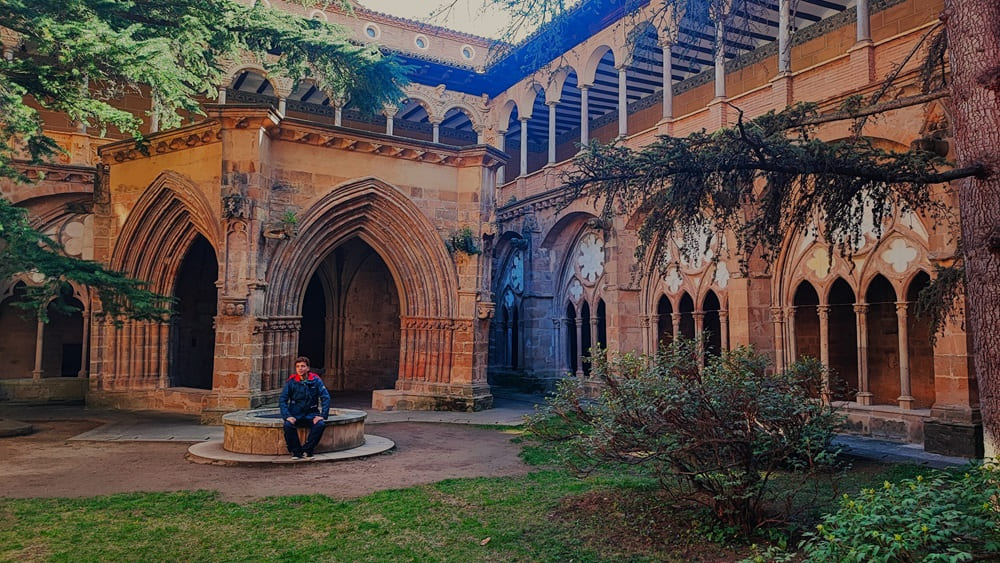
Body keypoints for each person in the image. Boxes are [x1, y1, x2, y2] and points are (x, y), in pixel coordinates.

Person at [279, 356, 331, 460]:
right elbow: (282, 399)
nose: (300, 368)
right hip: (295, 414)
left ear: (308, 368)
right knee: (288, 425)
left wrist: (322, 415)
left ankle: (307, 450)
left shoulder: (316, 381)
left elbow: (326, 397)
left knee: (320, 424)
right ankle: (296, 452)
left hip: (311, 414)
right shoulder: (291, 382)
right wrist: (287, 416)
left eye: (303, 366)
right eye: (297, 366)